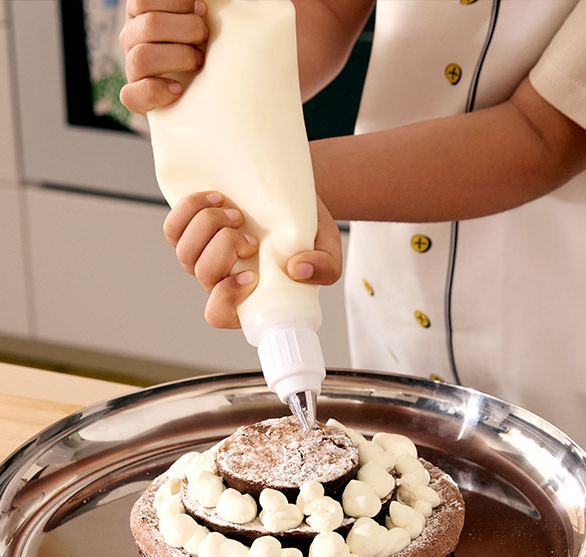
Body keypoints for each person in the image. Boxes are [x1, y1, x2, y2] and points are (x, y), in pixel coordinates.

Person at [119, 0, 586, 447]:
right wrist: (211, 55)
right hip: (394, 299)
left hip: (548, 327)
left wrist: (279, 187)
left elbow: (545, 134)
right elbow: (326, 8)